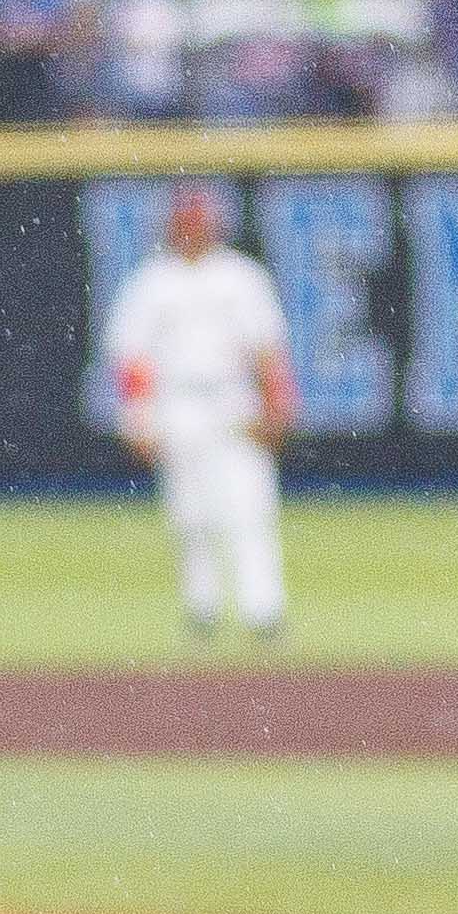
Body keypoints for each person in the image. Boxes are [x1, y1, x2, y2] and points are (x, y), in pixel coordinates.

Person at [104, 180, 295, 638]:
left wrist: (277, 405)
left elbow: (268, 350)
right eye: (185, 217)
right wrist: (138, 418)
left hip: (233, 399)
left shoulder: (241, 276)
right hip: (177, 403)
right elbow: (131, 358)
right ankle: (202, 608)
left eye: (200, 217)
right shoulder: (152, 281)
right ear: (171, 223)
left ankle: (263, 610)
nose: (193, 225)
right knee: (190, 515)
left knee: (249, 507)